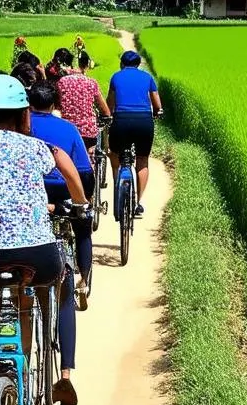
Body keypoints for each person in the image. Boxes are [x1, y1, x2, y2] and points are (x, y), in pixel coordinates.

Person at [0, 74, 88, 405]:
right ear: (23, 114)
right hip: (35, 256)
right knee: (29, 301)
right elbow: (62, 160)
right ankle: (23, 371)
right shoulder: (34, 146)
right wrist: (80, 202)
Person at [29, 82, 95, 309]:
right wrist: (85, 201)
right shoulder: (68, 128)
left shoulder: (22, 128)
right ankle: (83, 281)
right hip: (65, 187)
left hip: (36, 189)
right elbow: (84, 170)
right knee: (83, 229)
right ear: (55, 103)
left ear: (29, 103)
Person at [107, 50, 162, 217]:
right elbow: (157, 104)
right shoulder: (147, 78)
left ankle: (118, 186)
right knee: (142, 160)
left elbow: (110, 102)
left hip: (121, 120)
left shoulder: (116, 77)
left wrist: (108, 115)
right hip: (144, 122)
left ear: (122, 63)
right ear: (138, 64)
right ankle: (138, 203)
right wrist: (157, 112)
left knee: (115, 155)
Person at [57, 50, 111, 154]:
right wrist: (107, 115)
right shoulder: (91, 83)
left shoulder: (61, 82)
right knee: (88, 154)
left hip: (66, 130)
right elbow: (105, 110)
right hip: (87, 132)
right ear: (86, 66)